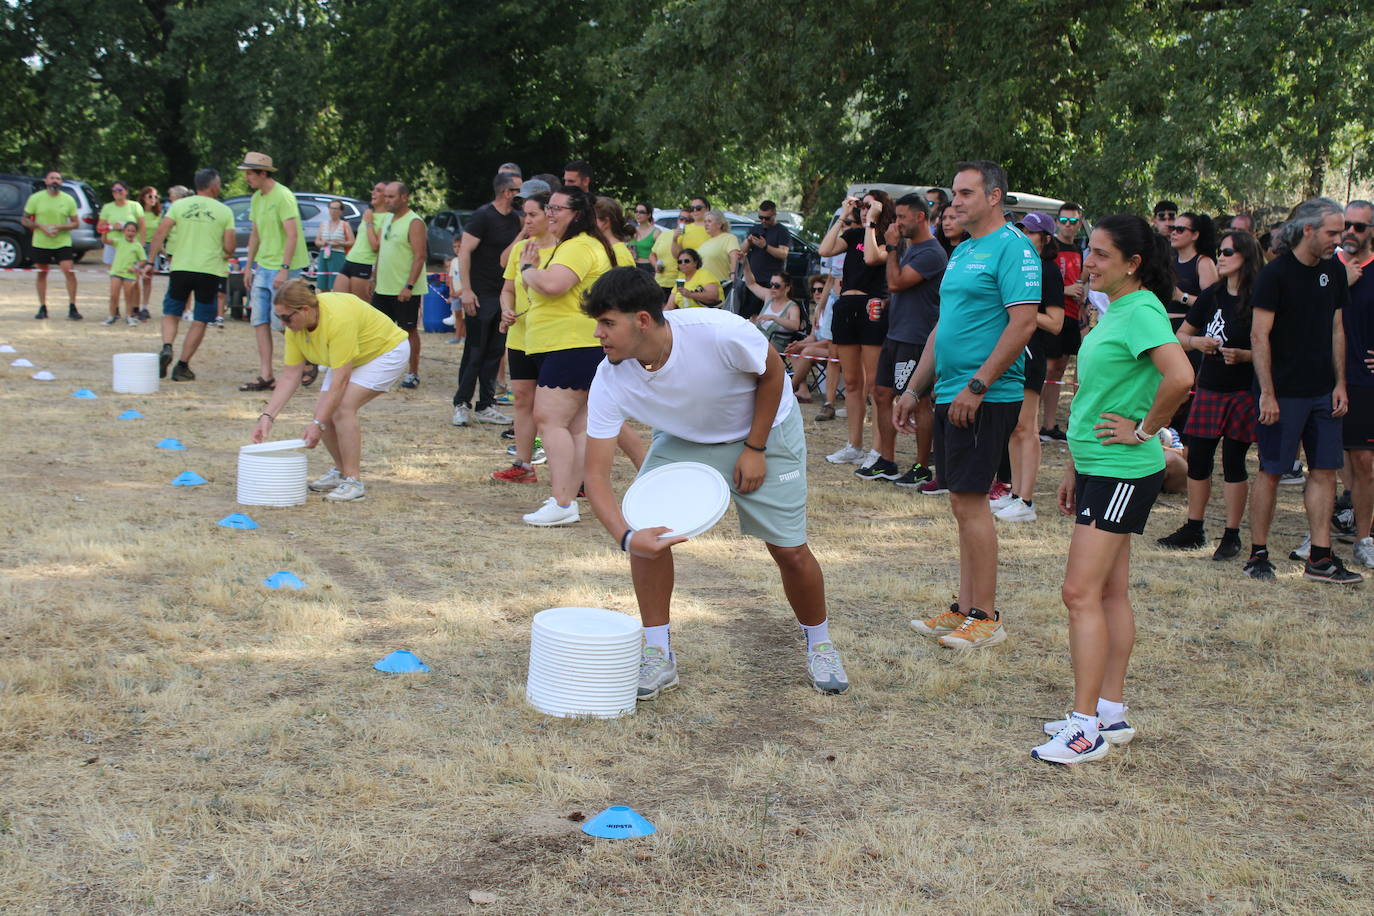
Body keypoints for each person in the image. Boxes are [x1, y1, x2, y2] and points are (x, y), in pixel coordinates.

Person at [580, 267, 849, 697]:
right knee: (649, 532)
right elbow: (593, 474)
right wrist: (628, 538)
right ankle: (657, 652)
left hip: (766, 428)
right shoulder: (610, 378)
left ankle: (820, 644)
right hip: (686, 438)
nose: (598, 334)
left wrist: (755, 448)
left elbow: (773, 371)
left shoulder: (717, 331)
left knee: (789, 550)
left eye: (607, 322)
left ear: (643, 320)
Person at [1032, 214, 1194, 765]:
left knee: (1079, 593)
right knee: (1107, 593)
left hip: (1124, 470)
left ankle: (1084, 729)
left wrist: (1145, 431)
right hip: (1101, 467)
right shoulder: (1118, 309)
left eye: (1102, 254)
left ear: (1133, 264)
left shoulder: (1143, 310)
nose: (1091, 262)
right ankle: (1110, 713)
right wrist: (1077, 467)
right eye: (1091, 252)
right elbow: (1100, 393)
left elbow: (1180, 377)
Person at [899, 161, 1038, 650]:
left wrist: (976, 387)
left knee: (973, 500)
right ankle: (962, 608)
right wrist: (914, 387)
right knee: (961, 502)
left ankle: (986, 617)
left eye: (965, 193)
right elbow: (943, 328)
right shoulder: (962, 250)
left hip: (985, 396)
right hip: (950, 391)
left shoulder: (1014, 248)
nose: (953, 202)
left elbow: (1023, 325)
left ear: (994, 196)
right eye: (953, 194)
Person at [1243, 198, 1362, 584]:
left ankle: (1321, 558)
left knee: (1325, 471)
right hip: (1283, 393)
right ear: (1308, 230)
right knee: (1272, 471)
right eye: (1332, 232)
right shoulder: (1275, 274)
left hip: (1324, 393)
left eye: (1342, 232)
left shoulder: (1334, 272)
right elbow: (1259, 336)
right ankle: (1258, 553)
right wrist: (1267, 393)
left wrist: (1340, 383)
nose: (1339, 240)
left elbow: (1337, 330)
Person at [250, 281, 409, 501]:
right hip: (355, 356)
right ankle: (341, 471)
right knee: (323, 410)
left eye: (287, 318)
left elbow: (340, 381)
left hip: (386, 351)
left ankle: (354, 482)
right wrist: (267, 417)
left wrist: (318, 424)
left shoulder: (336, 319)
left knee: (341, 408)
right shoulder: (295, 329)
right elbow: (290, 376)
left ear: (305, 310)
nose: (283, 323)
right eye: (279, 318)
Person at [1157, 230, 1262, 559]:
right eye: (1220, 251)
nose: (1221, 256)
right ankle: (1194, 527)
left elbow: (1276, 349)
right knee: (1198, 460)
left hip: (1242, 390)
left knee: (1234, 462)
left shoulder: (1260, 296)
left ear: (1246, 257)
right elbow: (1181, 336)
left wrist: (1245, 356)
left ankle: (1231, 535)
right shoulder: (1212, 294)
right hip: (1209, 388)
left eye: (1229, 252)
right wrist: (1198, 343)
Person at [515, 186, 616, 526]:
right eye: (550, 207)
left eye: (558, 208)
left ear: (578, 213)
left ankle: (561, 502)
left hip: (570, 343)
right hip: (572, 343)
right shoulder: (579, 245)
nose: (551, 213)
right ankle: (565, 500)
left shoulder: (577, 246)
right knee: (574, 426)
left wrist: (528, 268)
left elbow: (553, 285)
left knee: (549, 419)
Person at [869, 193, 946, 485]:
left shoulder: (931, 252)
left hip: (917, 337)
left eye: (902, 217)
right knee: (881, 393)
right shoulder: (911, 248)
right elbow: (900, 290)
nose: (897, 222)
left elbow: (896, 281)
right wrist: (886, 303)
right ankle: (886, 461)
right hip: (896, 332)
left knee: (919, 400)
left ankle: (921, 466)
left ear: (920, 217)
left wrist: (890, 247)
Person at [995, 211, 1065, 521]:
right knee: (1014, 428)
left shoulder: (1048, 271)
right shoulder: (1020, 266)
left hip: (1032, 352)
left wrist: (1021, 310)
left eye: (1031, 231)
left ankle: (1026, 500)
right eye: (1020, 228)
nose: (1023, 234)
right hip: (1012, 350)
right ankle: (1013, 493)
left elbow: (1056, 323)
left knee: (1027, 428)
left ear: (1046, 239)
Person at [818, 189, 893, 467]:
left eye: (869, 206)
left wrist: (872, 223)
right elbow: (824, 250)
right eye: (862, 206)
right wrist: (843, 215)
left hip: (872, 306)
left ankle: (877, 448)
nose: (864, 210)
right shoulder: (852, 235)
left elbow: (873, 258)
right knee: (852, 382)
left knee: (875, 383)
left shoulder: (888, 237)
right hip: (845, 307)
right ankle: (854, 444)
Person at [493, 192, 559, 483]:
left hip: (552, 338)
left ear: (550, 215)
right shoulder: (522, 248)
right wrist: (507, 309)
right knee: (522, 399)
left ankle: (565, 471)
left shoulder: (564, 250)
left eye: (533, 214)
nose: (527, 220)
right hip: (520, 337)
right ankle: (524, 463)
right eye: (526, 215)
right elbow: (508, 288)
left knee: (551, 407)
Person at [145, 168, 235, 381]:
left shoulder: (178, 206)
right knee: (201, 319)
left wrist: (150, 260)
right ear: (213, 186)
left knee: (171, 312)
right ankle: (183, 365)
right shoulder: (224, 211)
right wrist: (223, 252)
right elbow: (230, 246)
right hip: (209, 271)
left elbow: (160, 233)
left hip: (181, 267)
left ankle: (167, 346)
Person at [452, 172, 522, 426]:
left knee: (494, 352)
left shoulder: (517, 221)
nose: (522, 197)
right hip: (480, 294)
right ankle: (461, 403)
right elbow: (465, 253)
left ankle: (486, 404)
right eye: (518, 191)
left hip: (502, 293)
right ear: (507, 192)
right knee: (475, 351)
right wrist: (467, 290)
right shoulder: (482, 216)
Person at [238, 152, 309, 391]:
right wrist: (248, 266)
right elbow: (255, 234)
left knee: (284, 322)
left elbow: (292, 235)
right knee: (259, 320)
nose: (246, 177)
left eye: (249, 173)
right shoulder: (256, 198)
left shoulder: (284, 196)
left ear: (263, 173)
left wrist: (284, 269)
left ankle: (309, 360)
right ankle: (266, 375)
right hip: (263, 266)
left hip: (284, 267)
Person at [1338, 201, 1374, 567]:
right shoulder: (1328, 270)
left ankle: (1364, 537)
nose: (1350, 232)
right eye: (1346, 224)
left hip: (1365, 383)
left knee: (1364, 461)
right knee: (1325, 462)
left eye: (1359, 227)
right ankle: (1317, 534)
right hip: (1324, 379)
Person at [371, 181, 426, 388]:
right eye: (386, 196)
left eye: (391, 196)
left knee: (408, 330)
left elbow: (420, 256)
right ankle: (380, 370)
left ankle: (412, 373)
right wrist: (373, 277)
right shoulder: (386, 219)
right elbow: (381, 251)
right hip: (383, 287)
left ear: (404, 197)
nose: (387, 200)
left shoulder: (414, 222)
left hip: (404, 289)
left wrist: (409, 286)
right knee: (377, 330)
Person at [1041, 201, 1086, 441]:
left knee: (1059, 369)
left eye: (1074, 221)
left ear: (1079, 224)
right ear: (1057, 222)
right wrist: (1066, 290)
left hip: (1071, 315)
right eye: (1064, 221)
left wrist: (1082, 300)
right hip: (1052, 313)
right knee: (1047, 369)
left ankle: (1050, 425)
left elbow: (1080, 280)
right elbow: (1046, 280)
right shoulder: (1051, 247)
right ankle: (1033, 420)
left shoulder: (1079, 248)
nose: (1069, 226)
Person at [21, 170, 81, 320]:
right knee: (42, 273)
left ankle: (72, 307)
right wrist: (41, 227)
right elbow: (25, 219)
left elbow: (76, 223)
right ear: (46, 181)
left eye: (58, 179)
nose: (55, 181)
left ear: (61, 183)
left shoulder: (68, 199)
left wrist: (59, 227)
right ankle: (42, 307)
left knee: (69, 271)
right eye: (52, 178)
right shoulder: (36, 198)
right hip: (41, 242)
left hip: (62, 242)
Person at [738, 200, 792, 319]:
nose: (763, 221)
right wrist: (748, 241)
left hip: (770, 282)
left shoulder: (782, 231)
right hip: (753, 279)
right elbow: (741, 251)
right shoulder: (755, 228)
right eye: (760, 217)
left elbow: (783, 253)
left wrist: (765, 246)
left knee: (765, 316)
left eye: (767, 218)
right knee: (747, 315)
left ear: (774, 215)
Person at [783, 276, 833, 403]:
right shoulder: (817, 309)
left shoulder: (832, 310)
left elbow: (830, 342)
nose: (816, 293)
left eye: (820, 290)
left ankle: (789, 390)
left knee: (807, 351)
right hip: (821, 350)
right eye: (813, 290)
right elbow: (813, 336)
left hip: (835, 351)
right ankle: (803, 390)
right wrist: (799, 344)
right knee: (792, 349)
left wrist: (803, 347)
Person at [336, 182, 388, 299]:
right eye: (373, 189)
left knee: (361, 306)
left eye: (378, 190)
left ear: (386, 197)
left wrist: (369, 222)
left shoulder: (387, 218)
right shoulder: (368, 213)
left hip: (365, 263)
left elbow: (375, 246)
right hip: (350, 260)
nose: (373, 192)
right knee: (339, 301)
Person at [739, 260, 802, 352]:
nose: (772, 288)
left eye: (777, 286)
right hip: (759, 339)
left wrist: (773, 318)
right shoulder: (769, 296)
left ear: (787, 288)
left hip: (775, 344)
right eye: (771, 284)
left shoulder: (792, 307)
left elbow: (795, 325)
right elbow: (751, 284)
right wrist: (745, 264)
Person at [1169, 211, 1218, 320]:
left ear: (1195, 235)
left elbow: (1212, 304)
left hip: (1189, 329)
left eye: (1180, 229)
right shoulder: (1171, 262)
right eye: (1172, 228)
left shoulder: (1203, 263)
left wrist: (1182, 297)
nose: (1173, 233)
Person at [102, 223, 147, 326]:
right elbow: (105, 241)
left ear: (136, 233)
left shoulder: (137, 245)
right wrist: (105, 232)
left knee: (128, 296)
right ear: (124, 231)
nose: (130, 233)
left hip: (129, 274)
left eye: (133, 231)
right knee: (114, 295)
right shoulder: (119, 242)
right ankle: (111, 316)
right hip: (116, 272)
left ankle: (129, 316)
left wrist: (135, 267)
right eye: (128, 230)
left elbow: (143, 260)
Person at [97, 182, 146, 269]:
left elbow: (142, 226)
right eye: (114, 190)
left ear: (126, 191)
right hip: (112, 243)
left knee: (132, 275)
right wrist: (112, 227)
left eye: (120, 190)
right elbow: (99, 228)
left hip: (131, 243)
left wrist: (141, 244)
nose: (117, 192)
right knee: (114, 274)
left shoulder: (135, 206)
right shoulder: (107, 207)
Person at [697, 210, 739, 299]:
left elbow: (734, 256)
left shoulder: (729, 238)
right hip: (703, 287)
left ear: (719, 224)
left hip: (722, 285)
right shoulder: (705, 243)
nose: (706, 224)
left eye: (709, 221)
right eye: (705, 221)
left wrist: (733, 274)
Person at [314, 199, 354, 292]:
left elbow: (352, 241)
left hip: (338, 255)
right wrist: (323, 243)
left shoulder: (345, 225)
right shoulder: (323, 224)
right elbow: (317, 241)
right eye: (331, 208)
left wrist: (339, 243)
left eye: (336, 209)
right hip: (324, 254)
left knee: (336, 283)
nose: (333, 211)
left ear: (341, 211)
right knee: (323, 283)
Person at [135, 186, 163, 317]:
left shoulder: (158, 215)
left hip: (152, 247)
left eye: (155, 197)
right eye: (150, 196)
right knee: (134, 277)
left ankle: (144, 306)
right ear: (143, 198)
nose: (153, 199)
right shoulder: (138, 213)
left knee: (148, 279)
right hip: (138, 246)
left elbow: (160, 233)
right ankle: (134, 306)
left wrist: (162, 249)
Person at [650, 209, 683, 301]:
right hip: (660, 282)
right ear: (678, 219)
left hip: (679, 283)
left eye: (688, 220)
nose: (684, 221)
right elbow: (652, 254)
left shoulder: (691, 236)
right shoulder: (665, 234)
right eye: (681, 218)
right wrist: (656, 264)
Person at [629, 202, 659, 274]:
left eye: (642, 212)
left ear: (649, 215)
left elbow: (661, 254)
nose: (638, 214)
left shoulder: (656, 232)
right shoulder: (632, 231)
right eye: (636, 211)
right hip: (633, 266)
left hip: (649, 268)